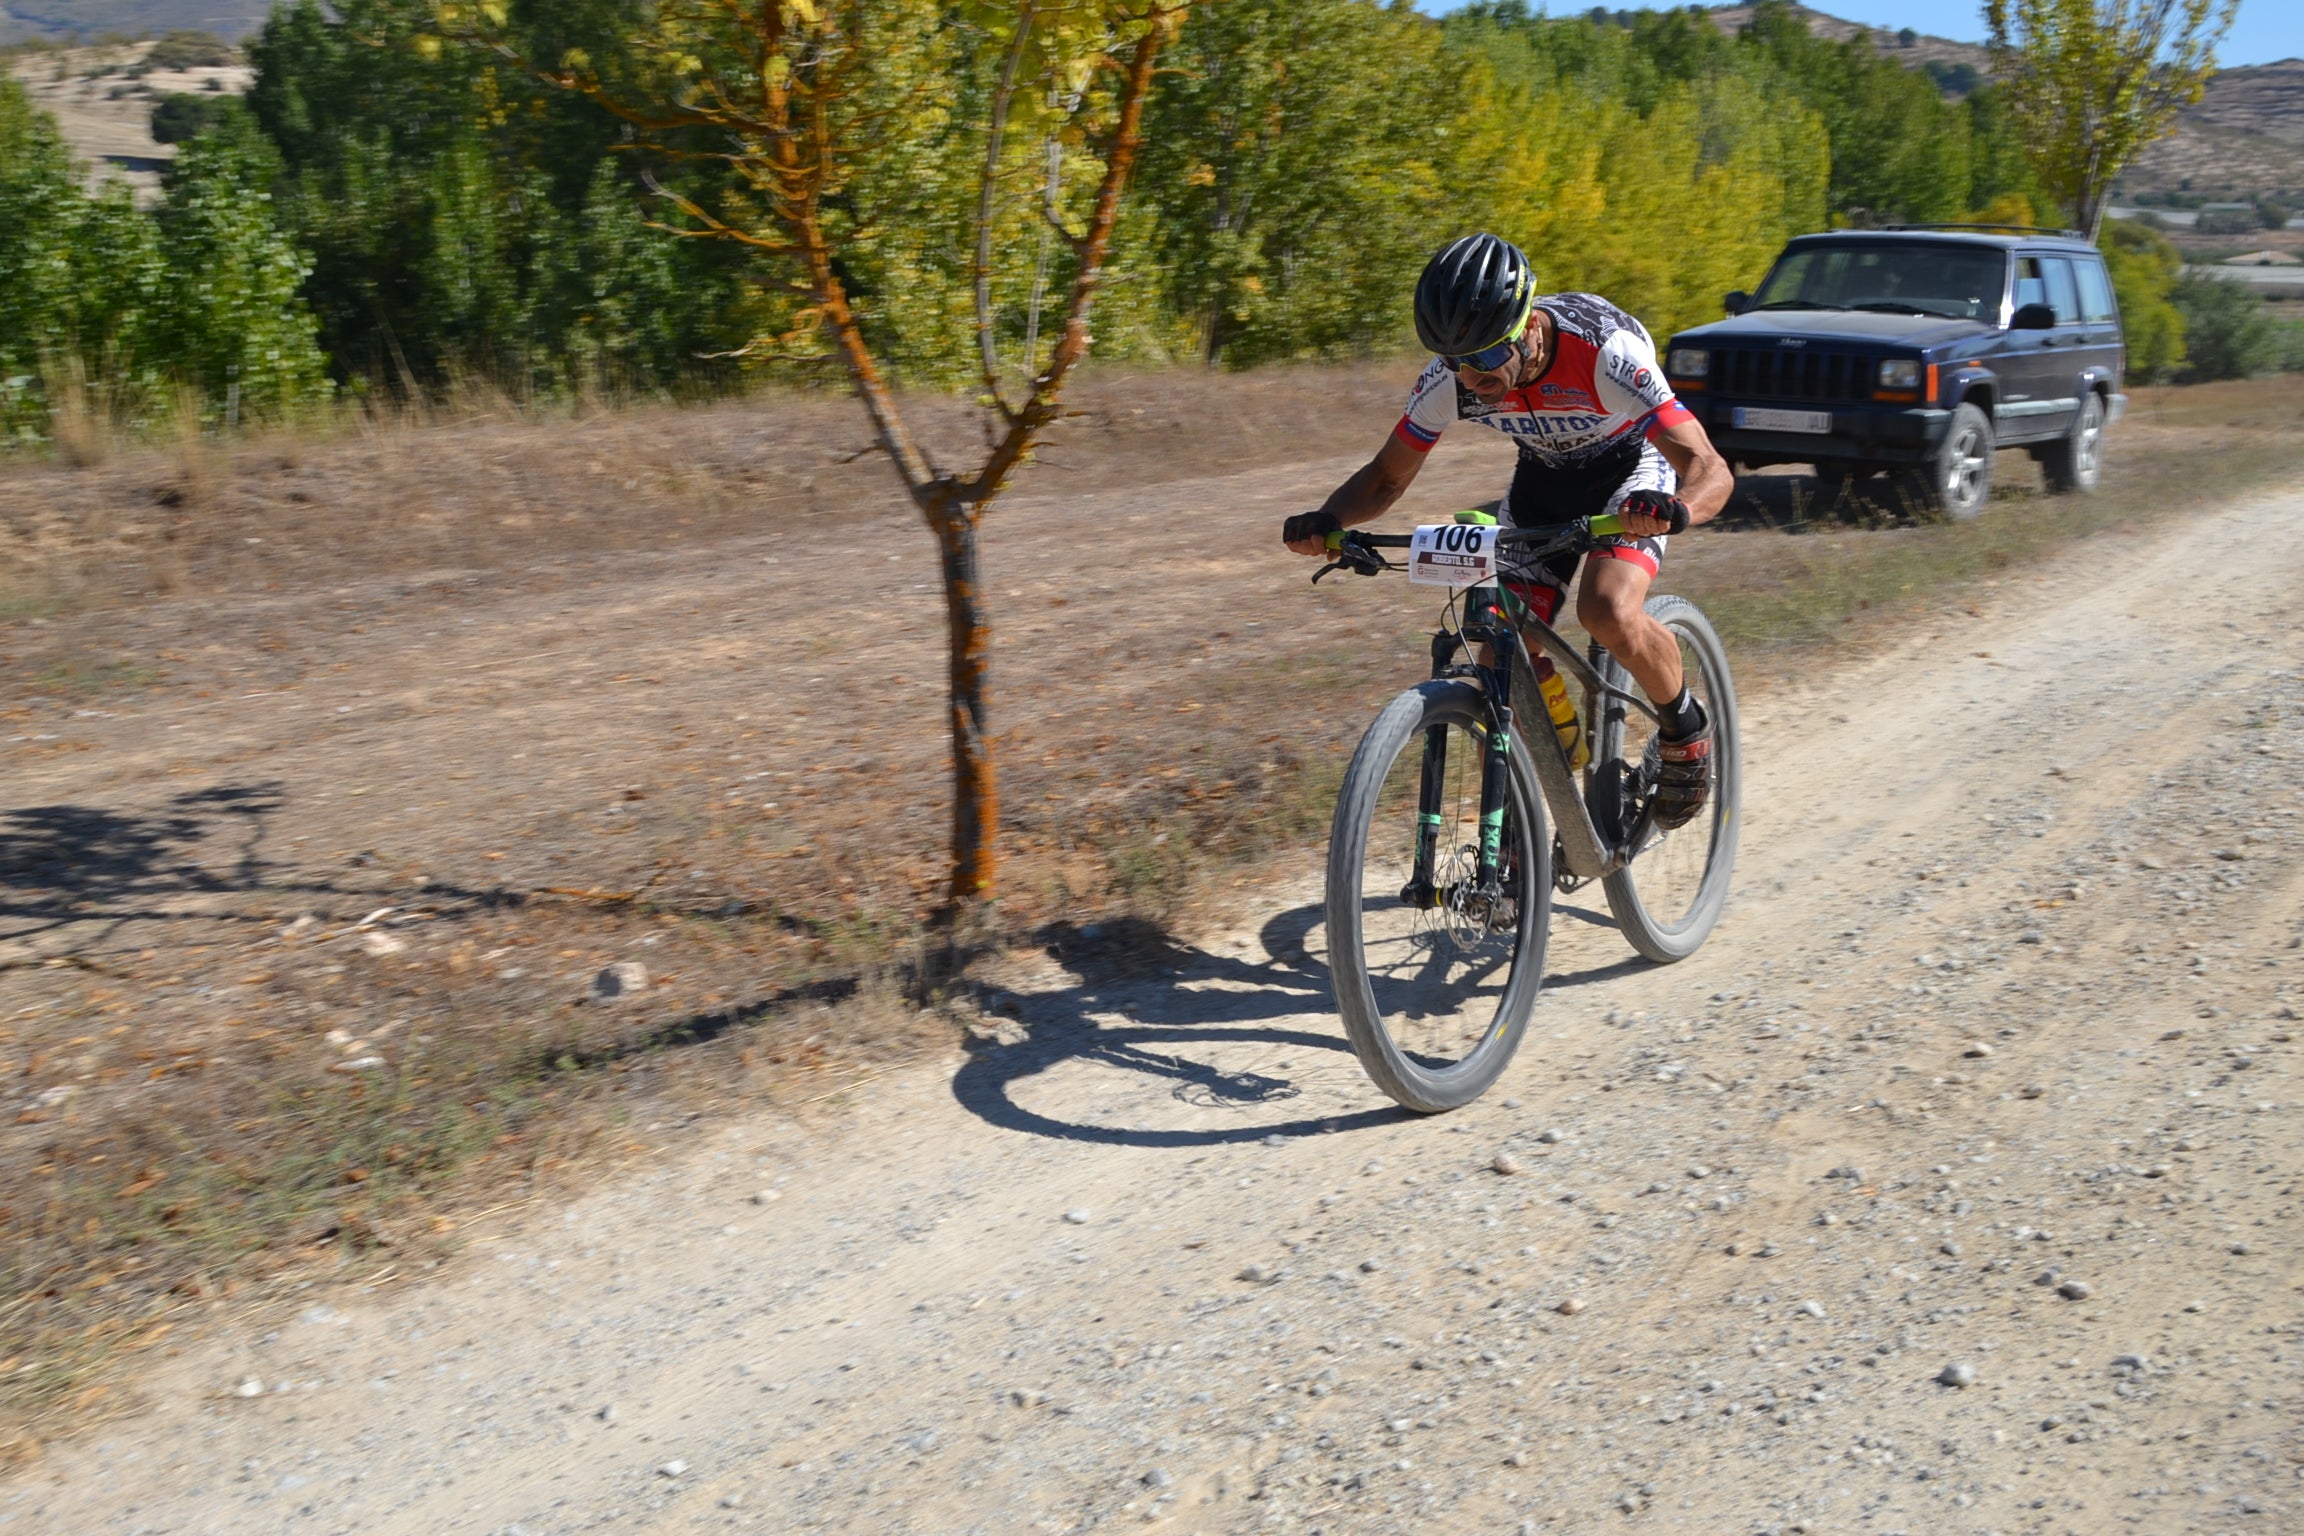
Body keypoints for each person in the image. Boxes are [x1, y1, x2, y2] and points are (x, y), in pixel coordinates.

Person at [1282, 233, 1733, 828]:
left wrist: (1677, 507)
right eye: (1455, 362)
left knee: (1606, 610)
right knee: (1498, 646)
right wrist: (1330, 520)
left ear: (1528, 330)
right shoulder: (1452, 379)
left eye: (1487, 357)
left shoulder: (1604, 352)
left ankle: (1685, 728)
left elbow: (1709, 468)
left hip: (1630, 471)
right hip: (1543, 480)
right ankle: (1537, 794)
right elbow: (1386, 479)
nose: (1471, 378)